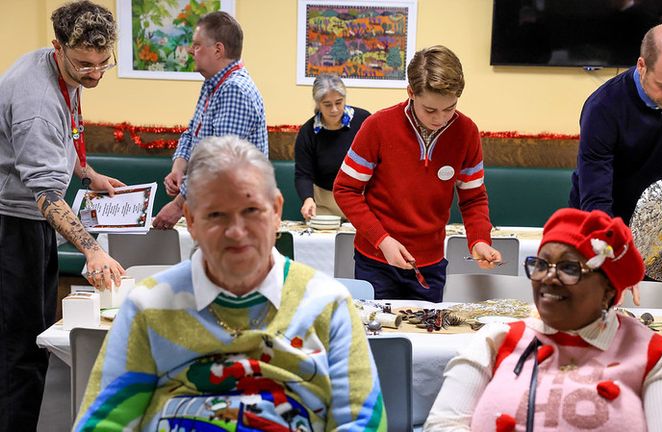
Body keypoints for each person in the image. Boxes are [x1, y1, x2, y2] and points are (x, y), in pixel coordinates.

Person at [75, 136, 386, 430]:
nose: (236, 231)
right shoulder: (148, 306)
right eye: (216, 215)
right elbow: (104, 424)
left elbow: (362, 422)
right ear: (191, 221)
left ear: (276, 211)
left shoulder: (327, 303)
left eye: (251, 211)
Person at [424, 208, 662, 431]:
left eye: (569, 268)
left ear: (609, 290)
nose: (549, 277)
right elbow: (443, 424)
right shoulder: (495, 340)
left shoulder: (654, 355)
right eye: (541, 264)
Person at [0, 1, 126, 429]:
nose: (95, 74)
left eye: (103, 63)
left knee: (37, 331)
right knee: (19, 345)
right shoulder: (36, 100)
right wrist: (92, 250)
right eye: (85, 64)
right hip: (13, 222)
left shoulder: (64, 72)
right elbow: (45, 194)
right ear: (58, 47)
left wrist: (88, 174)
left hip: (31, 219)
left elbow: (67, 137)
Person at [333, 45, 501, 302]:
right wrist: (382, 240)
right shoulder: (378, 126)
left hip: (430, 264)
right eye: (430, 110)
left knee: (427, 328)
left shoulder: (466, 132)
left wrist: (479, 240)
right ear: (411, 92)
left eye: (450, 108)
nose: (440, 119)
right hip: (376, 261)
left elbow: (473, 198)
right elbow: (345, 189)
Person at [569, 23, 662, 224]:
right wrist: (612, 237)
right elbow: (596, 198)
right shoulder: (602, 107)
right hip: (596, 218)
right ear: (641, 66)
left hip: (651, 218)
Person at [153, 11, 268, 230]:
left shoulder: (234, 90)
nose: (191, 50)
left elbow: (219, 162)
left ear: (218, 50)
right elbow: (192, 133)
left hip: (234, 215)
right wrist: (179, 167)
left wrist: (178, 205)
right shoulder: (213, 85)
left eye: (197, 45)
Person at [294, 73, 370, 220]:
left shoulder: (363, 121)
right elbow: (303, 174)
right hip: (324, 203)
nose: (334, 109)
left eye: (339, 102)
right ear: (318, 104)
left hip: (361, 200)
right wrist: (308, 199)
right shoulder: (308, 132)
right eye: (327, 104)